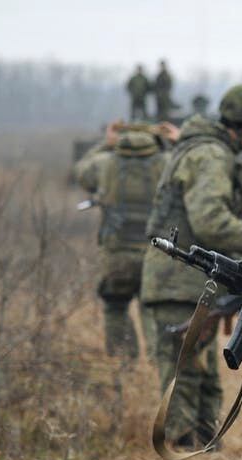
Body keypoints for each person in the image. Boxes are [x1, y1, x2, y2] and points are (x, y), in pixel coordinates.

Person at [140, 84, 242, 450]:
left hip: (187, 281)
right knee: (183, 369)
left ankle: (204, 445)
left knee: (198, 369)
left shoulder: (205, 149)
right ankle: (187, 449)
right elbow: (210, 218)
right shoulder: (211, 156)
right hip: (179, 281)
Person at [74, 122, 172, 359]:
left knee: (116, 306)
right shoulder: (168, 163)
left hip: (117, 253)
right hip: (157, 252)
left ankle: (122, 364)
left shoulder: (104, 163)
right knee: (154, 310)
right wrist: (171, 140)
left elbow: (81, 173)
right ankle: (158, 368)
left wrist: (105, 144)